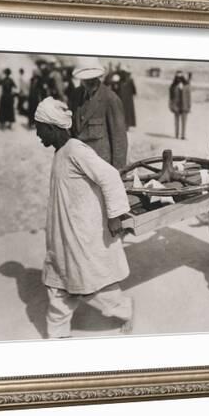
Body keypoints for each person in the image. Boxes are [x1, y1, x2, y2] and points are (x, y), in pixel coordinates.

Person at [34, 96, 134, 338]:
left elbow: (109, 176)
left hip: (81, 234)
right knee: (58, 283)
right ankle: (58, 334)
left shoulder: (76, 150)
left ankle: (125, 309)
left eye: (39, 130)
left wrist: (114, 216)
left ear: (51, 127)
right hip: (63, 234)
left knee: (92, 285)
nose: (38, 136)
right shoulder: (61, 153)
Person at [69, 58, 128, 170]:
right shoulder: (75, 96)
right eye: (87, 79)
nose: (90, 81)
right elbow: (72, 132)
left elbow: (119, 140)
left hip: (101, 167)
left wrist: (118, 173)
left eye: (93, 78)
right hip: (79, 165)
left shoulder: (110, 99)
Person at [168, 70, 192, 140]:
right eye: (177, 77)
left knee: (184, 121)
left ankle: (183, 135)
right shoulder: (172, 86)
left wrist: (189, 106)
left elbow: (189, 97)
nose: (179, 79)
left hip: (184, 106)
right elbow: (171, 97)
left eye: (180, 77)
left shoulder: (187, 86)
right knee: (176, 121)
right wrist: (171, 106)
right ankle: (176, 135)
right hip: (176, 106)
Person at [117, 66, 137, 131]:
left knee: (122, 112)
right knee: (127, 112)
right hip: (128, 99)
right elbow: (134, 91)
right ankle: (126, 125)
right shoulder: (130, 80)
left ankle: (123, 125)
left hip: (122, 98)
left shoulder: (119, 80)